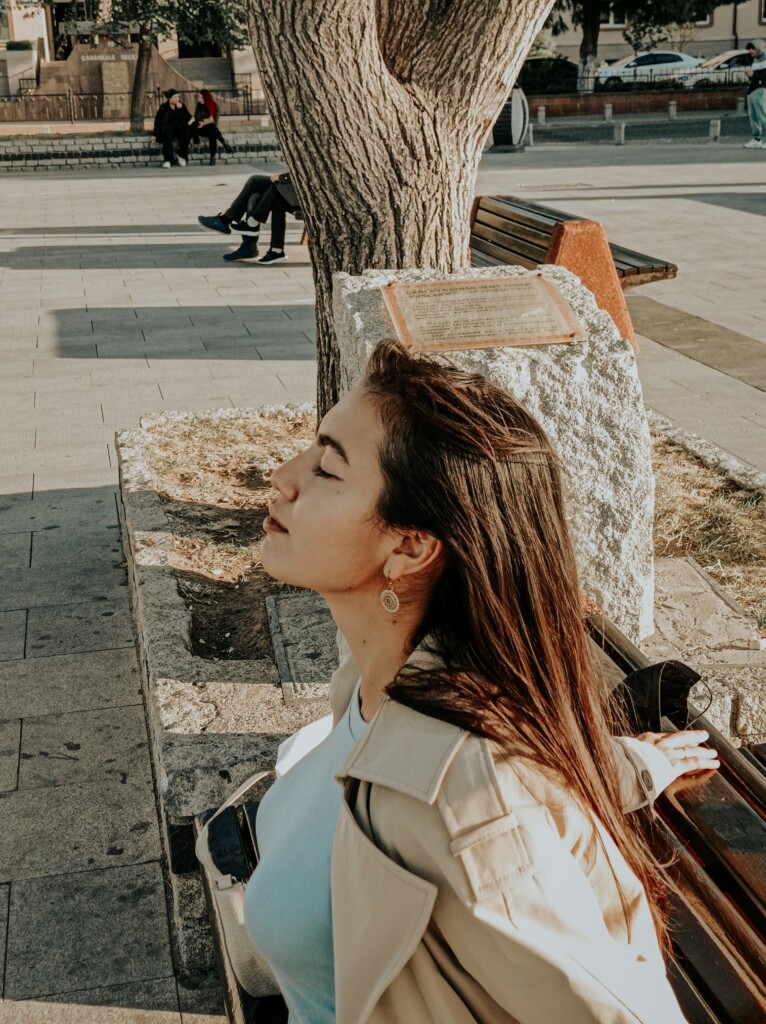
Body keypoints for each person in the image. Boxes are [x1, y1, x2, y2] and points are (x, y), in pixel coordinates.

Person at [239, 339, 718, 1024]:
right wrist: (625, 765)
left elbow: (619, 1011)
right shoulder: (378, 681)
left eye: (328, 468)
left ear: (410, 547)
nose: (283, 476)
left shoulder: (461, 791)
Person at [197, 171, 299, 264]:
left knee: (255, 181)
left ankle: (230, 222)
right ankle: (250, 247)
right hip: (295, 185)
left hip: (300, 191)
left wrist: (283, 178)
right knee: (254, 197)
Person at [152, 89, 194, 168]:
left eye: (178, 97)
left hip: (180, 128)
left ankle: (181, 156)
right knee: (166, 137)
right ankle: (169, 160)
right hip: (168, 128)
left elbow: (188, 118)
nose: (177, 99)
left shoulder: (181, 105)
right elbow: (157, 121)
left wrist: (181, 109)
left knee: (186, 135)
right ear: (169, 98)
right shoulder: (163, 107)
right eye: (175, 97)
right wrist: (154, 134)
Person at [193, 88, 232, 166]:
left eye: (200, 97)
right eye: (199, 97)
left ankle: (212, 157)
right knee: (212, 128)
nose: (198, 98)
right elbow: (198, 119)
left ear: (205, 98)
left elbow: (213, 120)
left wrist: (205, 122)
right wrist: (206, 121)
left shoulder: (212, 104)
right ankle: (224, 144)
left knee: (212, 134)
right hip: (200, 129)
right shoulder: (198, 105)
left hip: (209, 128)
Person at [744, 41, 766, 148]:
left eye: (752, 48)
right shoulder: (755, 60)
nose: (750, 51)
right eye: (749, 49)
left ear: (758, 48)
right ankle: (757, 139)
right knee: (753, 116)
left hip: (760, 90)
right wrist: (750, 76)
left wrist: (754, 74)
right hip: (752, 90)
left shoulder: (765, 59)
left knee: (763, 115)